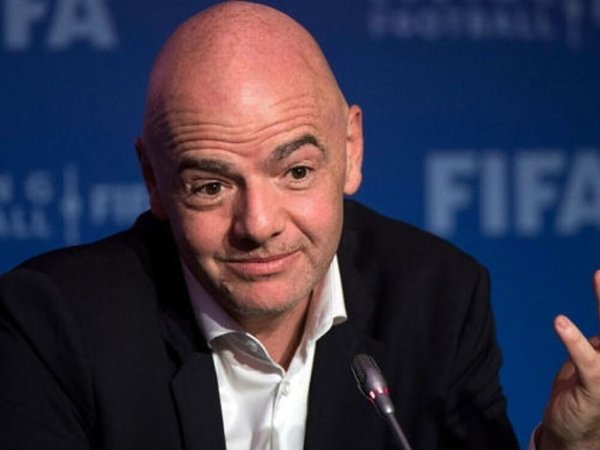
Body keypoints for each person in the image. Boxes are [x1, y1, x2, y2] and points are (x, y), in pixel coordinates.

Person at [0, 1, 598, 449]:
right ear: (154, 180)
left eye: (296, 172)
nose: (259, 225)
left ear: (351, 149)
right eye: (211, 186)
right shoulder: (53, 324)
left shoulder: (438, 299)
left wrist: (566, 447)